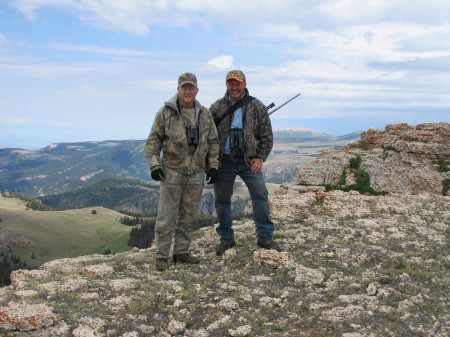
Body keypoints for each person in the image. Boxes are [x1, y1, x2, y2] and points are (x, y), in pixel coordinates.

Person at [145, 72, 220, 271]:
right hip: (172, 171)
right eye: (184, 88)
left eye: (191, 88)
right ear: (178, 89)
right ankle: (162, 255)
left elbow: (213, 141)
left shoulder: (204, 113)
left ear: (197, 90)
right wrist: (155, 165)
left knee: (188, 215)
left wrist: (213, 165)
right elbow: (153, 142)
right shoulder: (165, 112)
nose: (187, 91)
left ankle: (181, 252)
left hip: (196, 172)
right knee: (167, 216)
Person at [209, 70, 281, 256]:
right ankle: (226, 239)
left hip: (248, 161)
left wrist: (260, 157)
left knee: (260, 194)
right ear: (226, 85)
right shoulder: (216, 107)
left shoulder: (257, 106)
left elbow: (266, 136)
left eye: (238, 83)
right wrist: (210, 162)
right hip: (224, 161)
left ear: (245, 84)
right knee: (222, 200)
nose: (234, 87)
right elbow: (207, 137)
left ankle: (265, 237)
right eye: (231, 83)